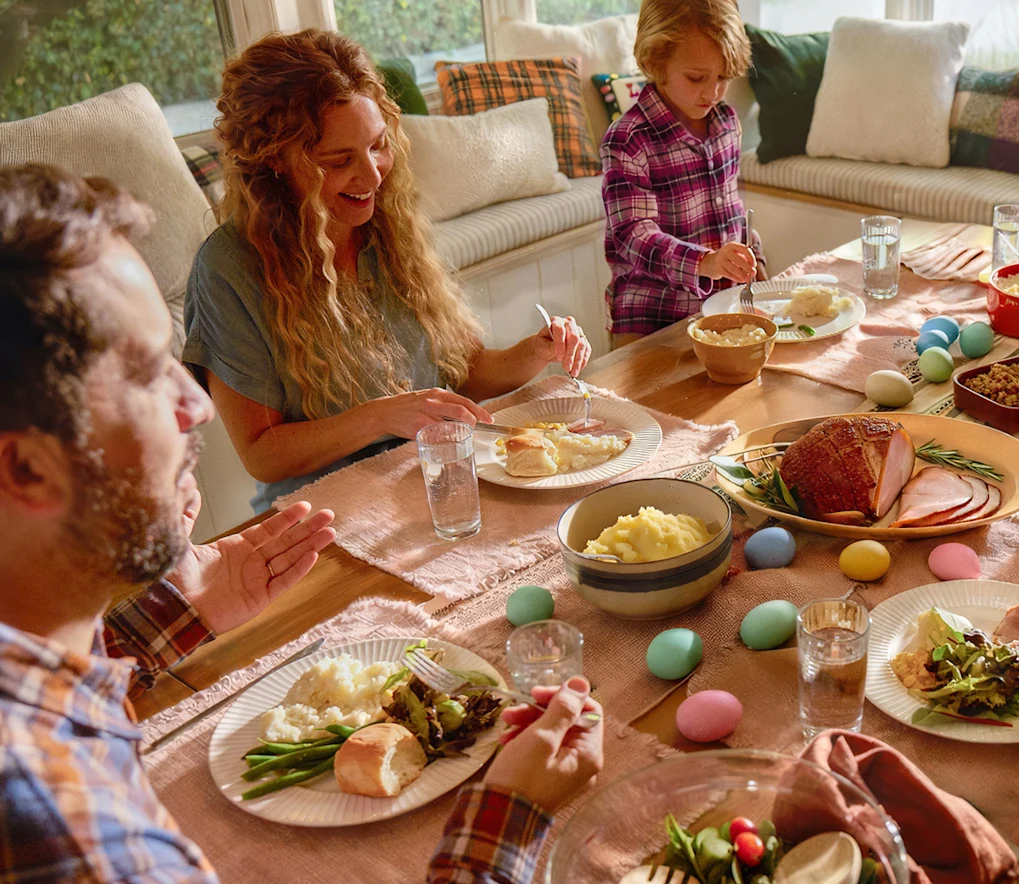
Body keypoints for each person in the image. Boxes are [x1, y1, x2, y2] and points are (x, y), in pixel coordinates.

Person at [0, 163, 605, 882]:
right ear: (27, 468)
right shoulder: (62, 822)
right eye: (143, 375)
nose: (197, 407)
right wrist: (512, 813)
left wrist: (166, 620)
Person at [186, 29, 592, 514]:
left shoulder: (388, 225)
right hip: (321, 515)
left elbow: (462, 373)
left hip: (432, 483)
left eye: (378, 145)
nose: (373, 175)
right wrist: (380, 417)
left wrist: (536, 351)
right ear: (275, 159)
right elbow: (263, 454)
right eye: (339, 160)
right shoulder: (229, 268)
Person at [601, 0, 764, 347]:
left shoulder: (725, 122)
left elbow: (730, 210)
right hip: (650, 325)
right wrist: (706, 263)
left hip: (718, 314)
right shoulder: (628, 139)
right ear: (656, 62)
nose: (713, 92)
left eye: (723, 77)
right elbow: (634, 236)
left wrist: (755, 259)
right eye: (696, 77)